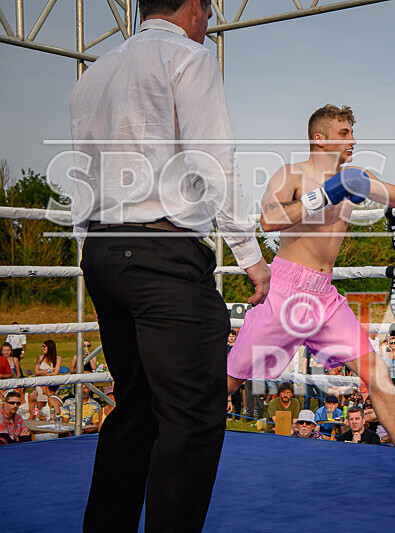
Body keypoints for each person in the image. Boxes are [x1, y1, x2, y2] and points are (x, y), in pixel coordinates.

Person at [69, 2, 272, 530]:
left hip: (104, 251)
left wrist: (95, 249)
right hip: (163, 256)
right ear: (193, 9)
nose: (208, 23)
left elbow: (83, 169)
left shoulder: (95, 74)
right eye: (208, 11)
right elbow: (214, 164)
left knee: (134, 410)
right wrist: (251, 258)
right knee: (192, 417)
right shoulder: (189, 57)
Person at [226, 103, 395, 492]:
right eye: (344, 132)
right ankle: (166, 439)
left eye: (352, 131)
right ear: (319, 137)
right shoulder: (292, 174)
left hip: (325, 296)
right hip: (284, 289)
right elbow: (268, 219)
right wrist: (326, 195)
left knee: (378, 375)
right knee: (229, 381)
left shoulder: (357, 177)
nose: (353, 139)